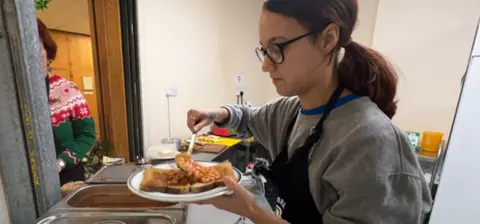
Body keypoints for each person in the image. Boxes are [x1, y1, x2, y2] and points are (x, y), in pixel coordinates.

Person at [186, 0, 432, 223]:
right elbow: (249, 117)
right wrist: (215, 114)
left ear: (328, 39)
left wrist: (252, 210)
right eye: (264, 50)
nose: (265, 65)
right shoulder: (290, 112)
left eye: (277, 47)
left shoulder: (369, 141)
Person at [37, 18, 96, 186]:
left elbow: (87, 134)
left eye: (37, 48)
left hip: (68, 177)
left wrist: (61, 162)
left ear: (47, 53)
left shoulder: (67, 91)